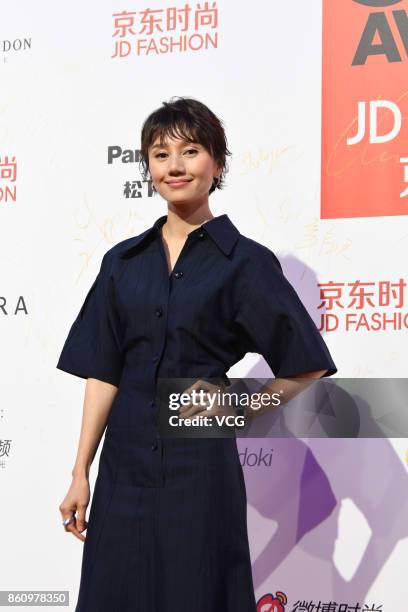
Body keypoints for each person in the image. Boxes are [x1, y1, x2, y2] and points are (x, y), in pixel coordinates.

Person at [57, 96, 337, 612]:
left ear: (218, 163)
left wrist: (236, 407)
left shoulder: (246, 263)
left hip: (199, 464)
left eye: (190, 151)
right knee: (114, 593)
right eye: (161, 155)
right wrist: (81, 470)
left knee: (198, 588)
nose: (175, 166)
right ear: (148, 167)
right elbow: (103, 370)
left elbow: (306, 362)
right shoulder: (122, 262)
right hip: (124, 464)